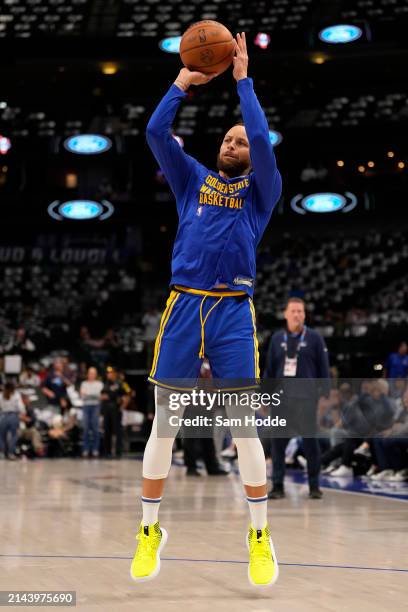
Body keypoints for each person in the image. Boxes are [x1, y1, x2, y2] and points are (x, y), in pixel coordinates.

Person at [130, 32, 282, 587]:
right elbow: (153, 132)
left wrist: (242, 81)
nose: (234, 144)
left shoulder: (262, 191)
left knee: (243, 429)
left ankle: (259, 536)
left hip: (232, 312)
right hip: (183, 305)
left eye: (240, 142)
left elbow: (262, 137)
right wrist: (181, 84)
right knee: (165, 425)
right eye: (228, 138)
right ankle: (150, 531)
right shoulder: (191, 179)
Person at [265, 297, 330, 499]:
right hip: (282, 400)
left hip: (307, 400)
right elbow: (270, 370)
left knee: (311, 443)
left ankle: (314, 486)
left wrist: (325, 395)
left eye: (300, 311)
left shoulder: (314, 338)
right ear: (285, 314)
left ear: (305, 314)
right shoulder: (277, 339)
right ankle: (277, 485)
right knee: (278, 444)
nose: (297, 315)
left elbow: (323, 368)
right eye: (293, 311)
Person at [101, 367, 130, 458]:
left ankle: (118, 452)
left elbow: (128, 394)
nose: (109, 374)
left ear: (115, 373)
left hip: (116, 409)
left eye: (111, 373)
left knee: (117, 431)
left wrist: (123, 406)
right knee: (107, 430)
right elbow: (102, 395)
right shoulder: (105, 383)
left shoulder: (121, 383)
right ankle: (107, 452)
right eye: (108, 373)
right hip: (106, 409)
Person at [80, 367, 103, 458]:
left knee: (95, 428)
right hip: (86, 406)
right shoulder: (84, 383)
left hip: (96, 406)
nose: (91, 375)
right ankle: (85, 449)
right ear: (87, 374)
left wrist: (88, 395)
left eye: (93, 373)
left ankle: (95, 449)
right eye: (90, 373)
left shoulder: (99, 384)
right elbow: (82, 395)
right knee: (85, 428)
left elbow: (100, 396)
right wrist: (94, 395)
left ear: (96, 375)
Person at [0, 382, 25, 460]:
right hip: (13, 416)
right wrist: (23, 413)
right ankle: (11, 453)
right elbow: (21, 407)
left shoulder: (1, 395)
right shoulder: (16, 395)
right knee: (14, 436)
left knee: (1, 436)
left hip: (3, 416)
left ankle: (2, 453)